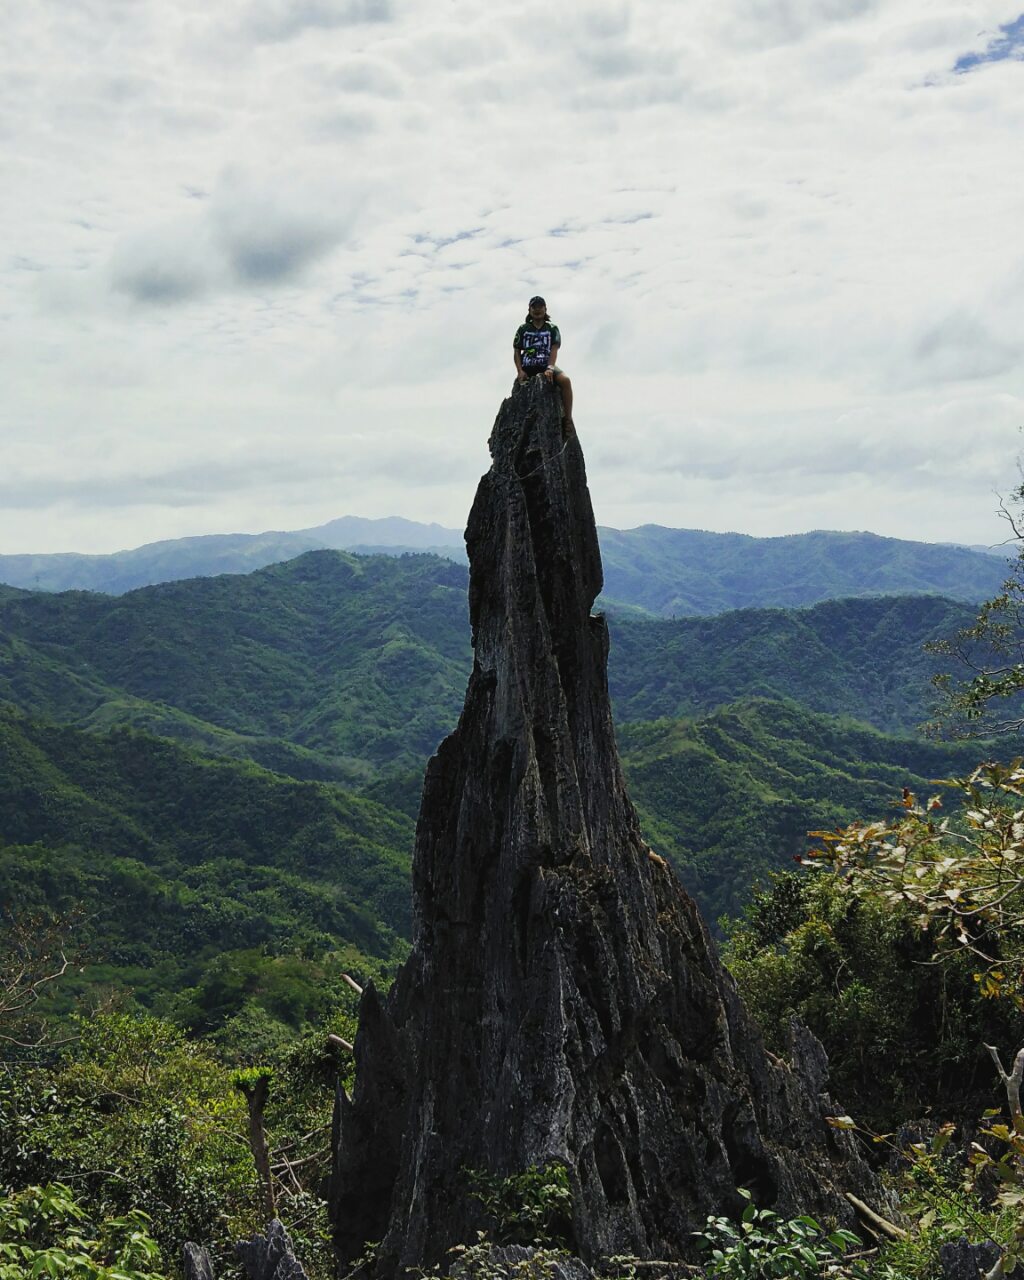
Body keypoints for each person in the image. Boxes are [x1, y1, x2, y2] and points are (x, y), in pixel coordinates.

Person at [513, 296, 574, 435]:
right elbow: (516, 350)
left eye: (540, 307)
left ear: (545, 309)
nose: (537, 310)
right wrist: (519, 371)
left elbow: (554, 349)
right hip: (528, 365)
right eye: (534, 307)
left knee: (565, 381)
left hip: (545, 364)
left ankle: (568, 420)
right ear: (529, 310)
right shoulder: (523, 329)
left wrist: (550, 368)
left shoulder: (552, 328)